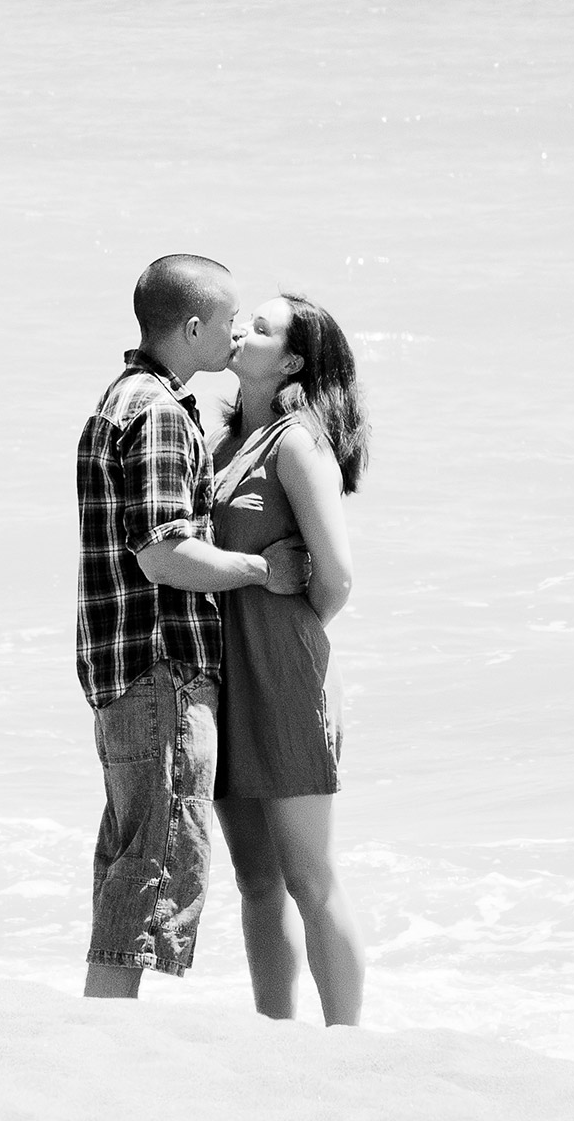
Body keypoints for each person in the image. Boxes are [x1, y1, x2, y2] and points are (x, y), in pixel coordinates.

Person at [76, 254, 310, 999]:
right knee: (152, 868)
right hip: (162, 666)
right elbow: (163, 554)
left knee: (129, 856)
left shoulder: (119, 400)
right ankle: (105, 1040)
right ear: (193, 326)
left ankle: (96, 1028)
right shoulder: (163, 415)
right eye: (230, 317)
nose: (238, 329)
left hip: (122, 668)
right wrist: (259, 572)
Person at [208, 291, 370, 1025]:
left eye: (262, 329)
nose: (241, 330)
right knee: (255, 879)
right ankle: (274, 1038)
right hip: (222, 673)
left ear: (294, 361)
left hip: (281, 671)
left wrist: (299, 650)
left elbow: (334, 575)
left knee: (309, 875)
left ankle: (348, 1048)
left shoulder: (297, 442)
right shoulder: (221, 445)